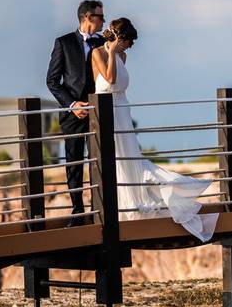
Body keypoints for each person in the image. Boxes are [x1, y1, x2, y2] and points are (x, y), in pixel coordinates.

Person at [91, 18, 218, 242]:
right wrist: (111, 52)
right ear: (120, 38)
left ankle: (136, 203)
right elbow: (109, 78)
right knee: (115, 159)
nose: (131, 46)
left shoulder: (124, 56)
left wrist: (117, 53)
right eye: (129, 41)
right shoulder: (98, 54)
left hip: (122, 110)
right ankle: (119, 208)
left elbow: (119, 82)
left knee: (131, 158)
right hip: (105, 110)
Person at [46, 0, 105, 219]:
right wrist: (72, 105)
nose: (103, 21)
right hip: (72, 115)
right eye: (100, 17)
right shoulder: (63, 43)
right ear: (88, 17)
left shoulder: (103, 42)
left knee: (99, 162)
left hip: (99, 113)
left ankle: (97, 210)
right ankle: (77, 211)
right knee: (74, 163)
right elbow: (52, 81)